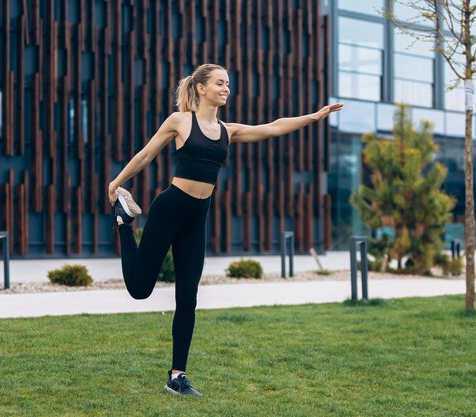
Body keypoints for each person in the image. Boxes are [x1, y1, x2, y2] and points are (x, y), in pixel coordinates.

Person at [107, 63, 343, 397]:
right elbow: (146, 154)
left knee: (188, 298)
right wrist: (117, 183)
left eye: (228, 83)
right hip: (169, 209)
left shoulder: (226, 130)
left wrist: (313, 117)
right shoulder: (180, 121)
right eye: (220, 83)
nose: (226, 88)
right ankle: (124, 223)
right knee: (140, 290)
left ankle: (177, 376)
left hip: (196, 218)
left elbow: (272, 128)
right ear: (201, 87)